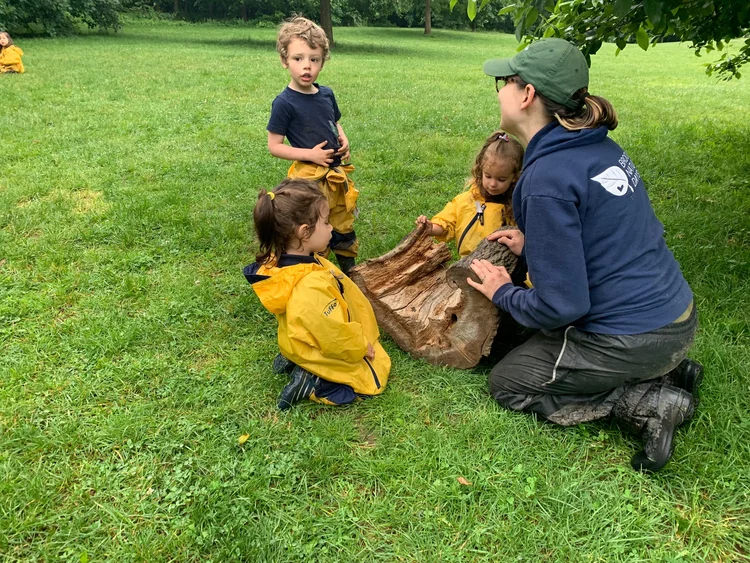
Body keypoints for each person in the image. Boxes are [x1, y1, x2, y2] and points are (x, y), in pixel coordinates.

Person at [467, 38, 703, 472]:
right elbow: (602, 237)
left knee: (508, 381)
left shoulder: (546, 179)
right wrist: (535, 245)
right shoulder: (600, 148)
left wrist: (503, 292)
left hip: (631, 338)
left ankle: (646, 400)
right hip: (677, 317)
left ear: (527, 94)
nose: (499, 91)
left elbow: (562, 307)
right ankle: (671, 369)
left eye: (504, 82)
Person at [243, 178, 391, 410]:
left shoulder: (290, 263)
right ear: (304, 232)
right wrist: (360, 346)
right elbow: (333, 335)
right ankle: (314, 381)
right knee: (372, 380)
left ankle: (298, 358)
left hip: (299, 341)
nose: (331, 228)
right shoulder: (309, 286)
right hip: (326, 344)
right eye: (326, 222)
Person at [267, 17, 359, 275]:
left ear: (322, 62)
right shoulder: (284, 103)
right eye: (298, 59)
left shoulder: (326, 94)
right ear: (284, 60)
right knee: (315, 224)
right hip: (309, 180)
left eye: (314, 59)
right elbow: (274, 146)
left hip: (336, 176)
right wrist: (311, 155)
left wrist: (343, 138)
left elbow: (334, 122)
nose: (306, 66)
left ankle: (350, 272)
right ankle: (315, 273)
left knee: (342, 222)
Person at [416, 131, 523, 257]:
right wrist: (431, 228)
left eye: (501, 179)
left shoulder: (517, 206)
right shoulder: (466, 200)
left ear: (514, 177)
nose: (493, 184)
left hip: (499, 266)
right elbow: (447, 223)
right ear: (480, 169)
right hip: (466, 264)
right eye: (488, 176)